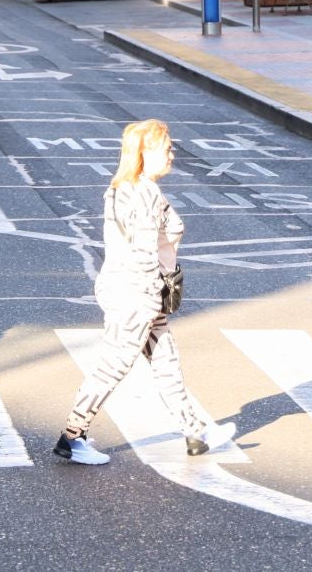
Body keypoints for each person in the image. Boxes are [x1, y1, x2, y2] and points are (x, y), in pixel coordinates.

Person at [53, 119, 235, 465]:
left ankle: (194, 432)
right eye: (165, 148)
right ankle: (72, 436)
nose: (172, 154)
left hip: (129, 288)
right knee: (114, 365)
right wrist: (153, 296)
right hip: (137, 293)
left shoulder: (124, 187)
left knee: (165, 360)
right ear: (145, 153)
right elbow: (144, 250)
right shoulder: (145, 194)